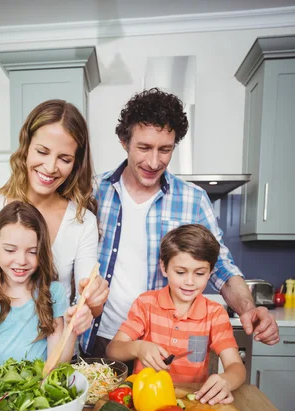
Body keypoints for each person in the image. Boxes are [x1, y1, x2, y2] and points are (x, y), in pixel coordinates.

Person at [80, 88, 279, 358]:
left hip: (162, 345)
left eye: (165, 149)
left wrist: (249, 309)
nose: (154, 161)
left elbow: (220, 266)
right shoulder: (93, 192)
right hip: (101, 339)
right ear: (124, 141)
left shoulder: (193, 199)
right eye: (144, 147)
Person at [0, 99, 108, 319]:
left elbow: (90, 305)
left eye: (64, 158)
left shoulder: (83, 222)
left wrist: (94, 297)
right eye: (42, 151)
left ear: (76, 164)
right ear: (25, 147)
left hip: (59, 350)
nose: (51, 167)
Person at [0, 202, 92, 379]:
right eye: (10, 250)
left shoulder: (53, 293)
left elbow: (57, 365)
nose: (21, 260)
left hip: (33, 397)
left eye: (32, 251)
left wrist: (71, 329)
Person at [106, 224, 247, 405]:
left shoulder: (215, 313)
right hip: (143, 399)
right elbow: (113, 350)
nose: (189, 281)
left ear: (210, 272)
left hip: (191, 401)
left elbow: (236, 367)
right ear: (164, 268)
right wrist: (138, 348)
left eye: (200, 273)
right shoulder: (146, 304)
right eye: (180, 272)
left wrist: (226, 380)